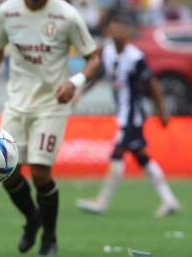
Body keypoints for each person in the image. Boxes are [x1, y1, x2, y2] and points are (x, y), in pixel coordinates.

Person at [0, 0, 101, 256]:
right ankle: (33, 219)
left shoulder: (66, 15)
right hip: (16, 104)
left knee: (41, 174)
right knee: (5, 171)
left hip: (51, 105)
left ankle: (49, 237)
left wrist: (75, 82)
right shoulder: (8, 12)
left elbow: (94, 58)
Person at [75, 15, 180, 217]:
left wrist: (162, 111)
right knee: (142, 157)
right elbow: (97, 75)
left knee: (117, 154)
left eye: (119, 29)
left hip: (133, 116)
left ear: (127, 32)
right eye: (112, 29)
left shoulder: (135, 57)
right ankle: (169, 200)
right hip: (122, 114)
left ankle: (102, 202)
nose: (115, 33)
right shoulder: (107, 53)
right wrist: (80, 92)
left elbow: (153, 84)